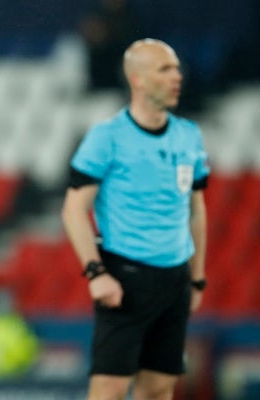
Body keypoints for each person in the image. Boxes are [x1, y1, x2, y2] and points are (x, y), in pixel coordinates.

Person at [61, 39, 209, 400]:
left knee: (159, 389)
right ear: (138, 79)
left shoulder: (189, 135)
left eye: (176, 68)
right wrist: (96, 273)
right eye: (165, 69)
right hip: (125, 279)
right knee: (109, 389)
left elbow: (196, 210)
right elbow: (73, 209)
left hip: (174, 279)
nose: (178, 76)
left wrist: (197, 279)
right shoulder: (107, 137)